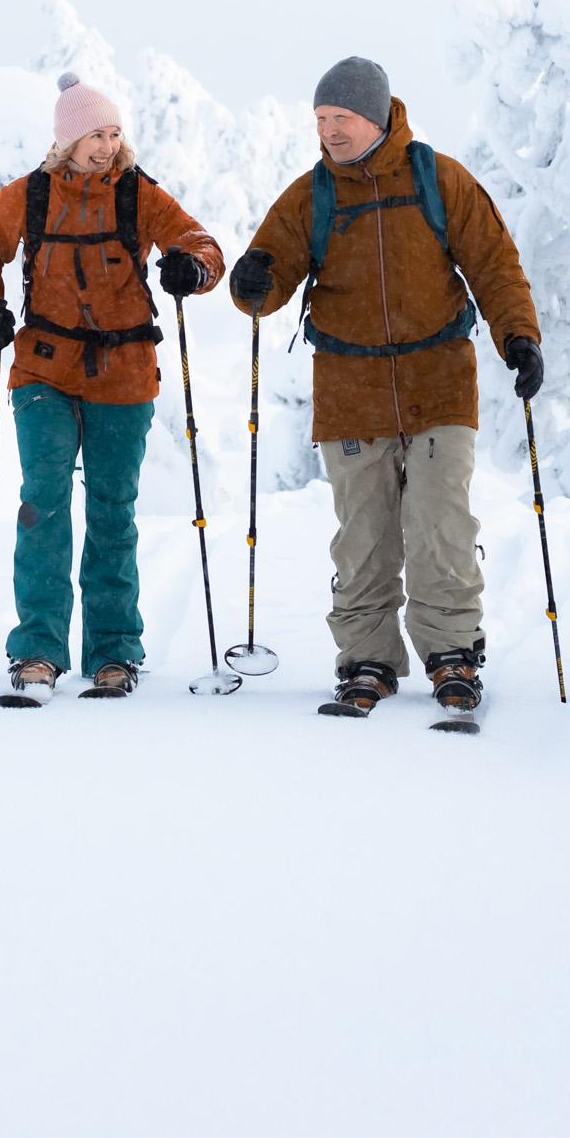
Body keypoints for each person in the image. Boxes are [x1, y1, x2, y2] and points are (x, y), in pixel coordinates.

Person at [227, 56, 543, 722]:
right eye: (320, 119)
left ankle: (453, 651)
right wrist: (252, 281)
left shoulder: (438, 179)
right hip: (350, 388)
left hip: (440, 381)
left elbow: (493, 262)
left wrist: (519, 337)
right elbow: (267, 275)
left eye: (340, 118)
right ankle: (367, 657)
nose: (329, 131)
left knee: (440, 524)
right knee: (364, 536)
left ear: (375, 116)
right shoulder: (311, 195)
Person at [0, 73, 226, 701]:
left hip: (125, 373)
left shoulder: (138, 195)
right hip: (43, 371)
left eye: (113, 132)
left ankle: (113, 655)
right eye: (93, 135)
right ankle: (37, 654)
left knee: (113, 513)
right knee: (42, 505)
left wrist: (193, 268)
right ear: (66, 140)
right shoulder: (28, 196)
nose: (106, 146)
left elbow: (203, 245)